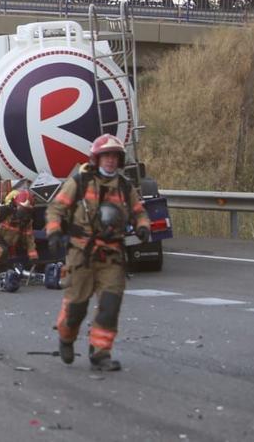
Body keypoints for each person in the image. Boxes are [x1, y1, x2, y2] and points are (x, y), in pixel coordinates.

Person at [46, 133, 151, 371]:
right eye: (106, 156)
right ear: (96, 158)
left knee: (110, 305)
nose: (110, 161)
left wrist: (143, 228)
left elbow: (139, 212)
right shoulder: (80, 182)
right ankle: (66, 336)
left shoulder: (124, 186)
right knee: (76, 308)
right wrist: (53, 232)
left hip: (112, 255)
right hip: (81, 254)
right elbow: (57, 208)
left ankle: (100, 353)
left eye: (114, 156)